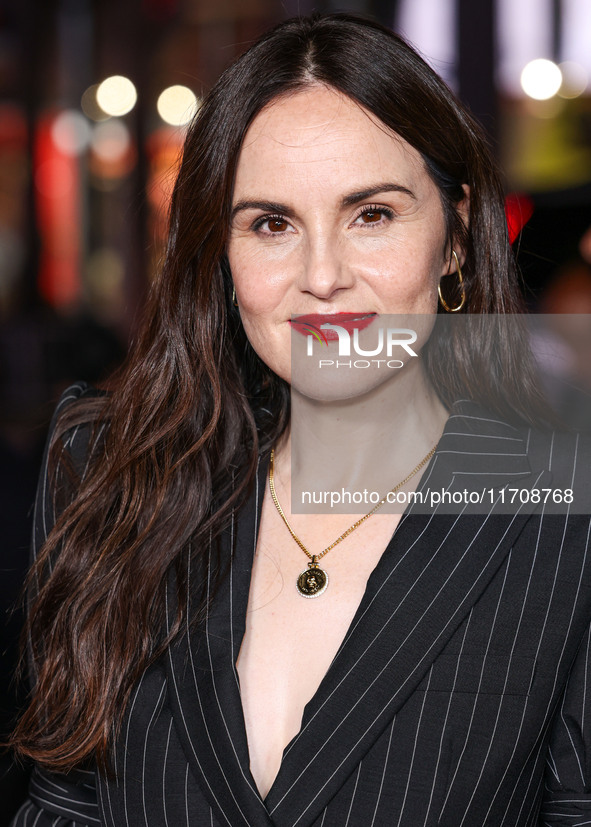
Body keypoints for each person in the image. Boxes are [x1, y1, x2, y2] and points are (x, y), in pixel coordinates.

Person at [9, 13, 591, 827]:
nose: (322, 276)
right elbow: (62, 805)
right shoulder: (109, 471)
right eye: (271, 224)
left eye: (372, 214)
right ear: (222, 253)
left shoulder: (563, 523)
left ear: (455, 238)